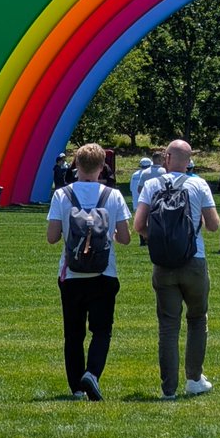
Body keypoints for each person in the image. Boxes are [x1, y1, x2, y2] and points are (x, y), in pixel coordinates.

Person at [133, 139, 220, 399]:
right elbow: (213, 225)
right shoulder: (199, 184)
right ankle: (194, 379)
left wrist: (159, 240)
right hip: (194, 260)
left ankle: (168, 389)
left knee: (168, 327)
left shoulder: (152, 185)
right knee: (197, 319)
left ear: (167, 158)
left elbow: (138, 225)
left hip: (163, 265)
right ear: (189, 160)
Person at [46, 142, 131, 401]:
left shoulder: (62, 195)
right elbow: (125, 238)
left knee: (73, 334)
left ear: (76, 165)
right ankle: (92, 373)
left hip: (72, 274)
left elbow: (52, 237)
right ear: (102, 167)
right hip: (104, 273)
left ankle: (76, 388)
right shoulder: (113, 195)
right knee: (102, 330)